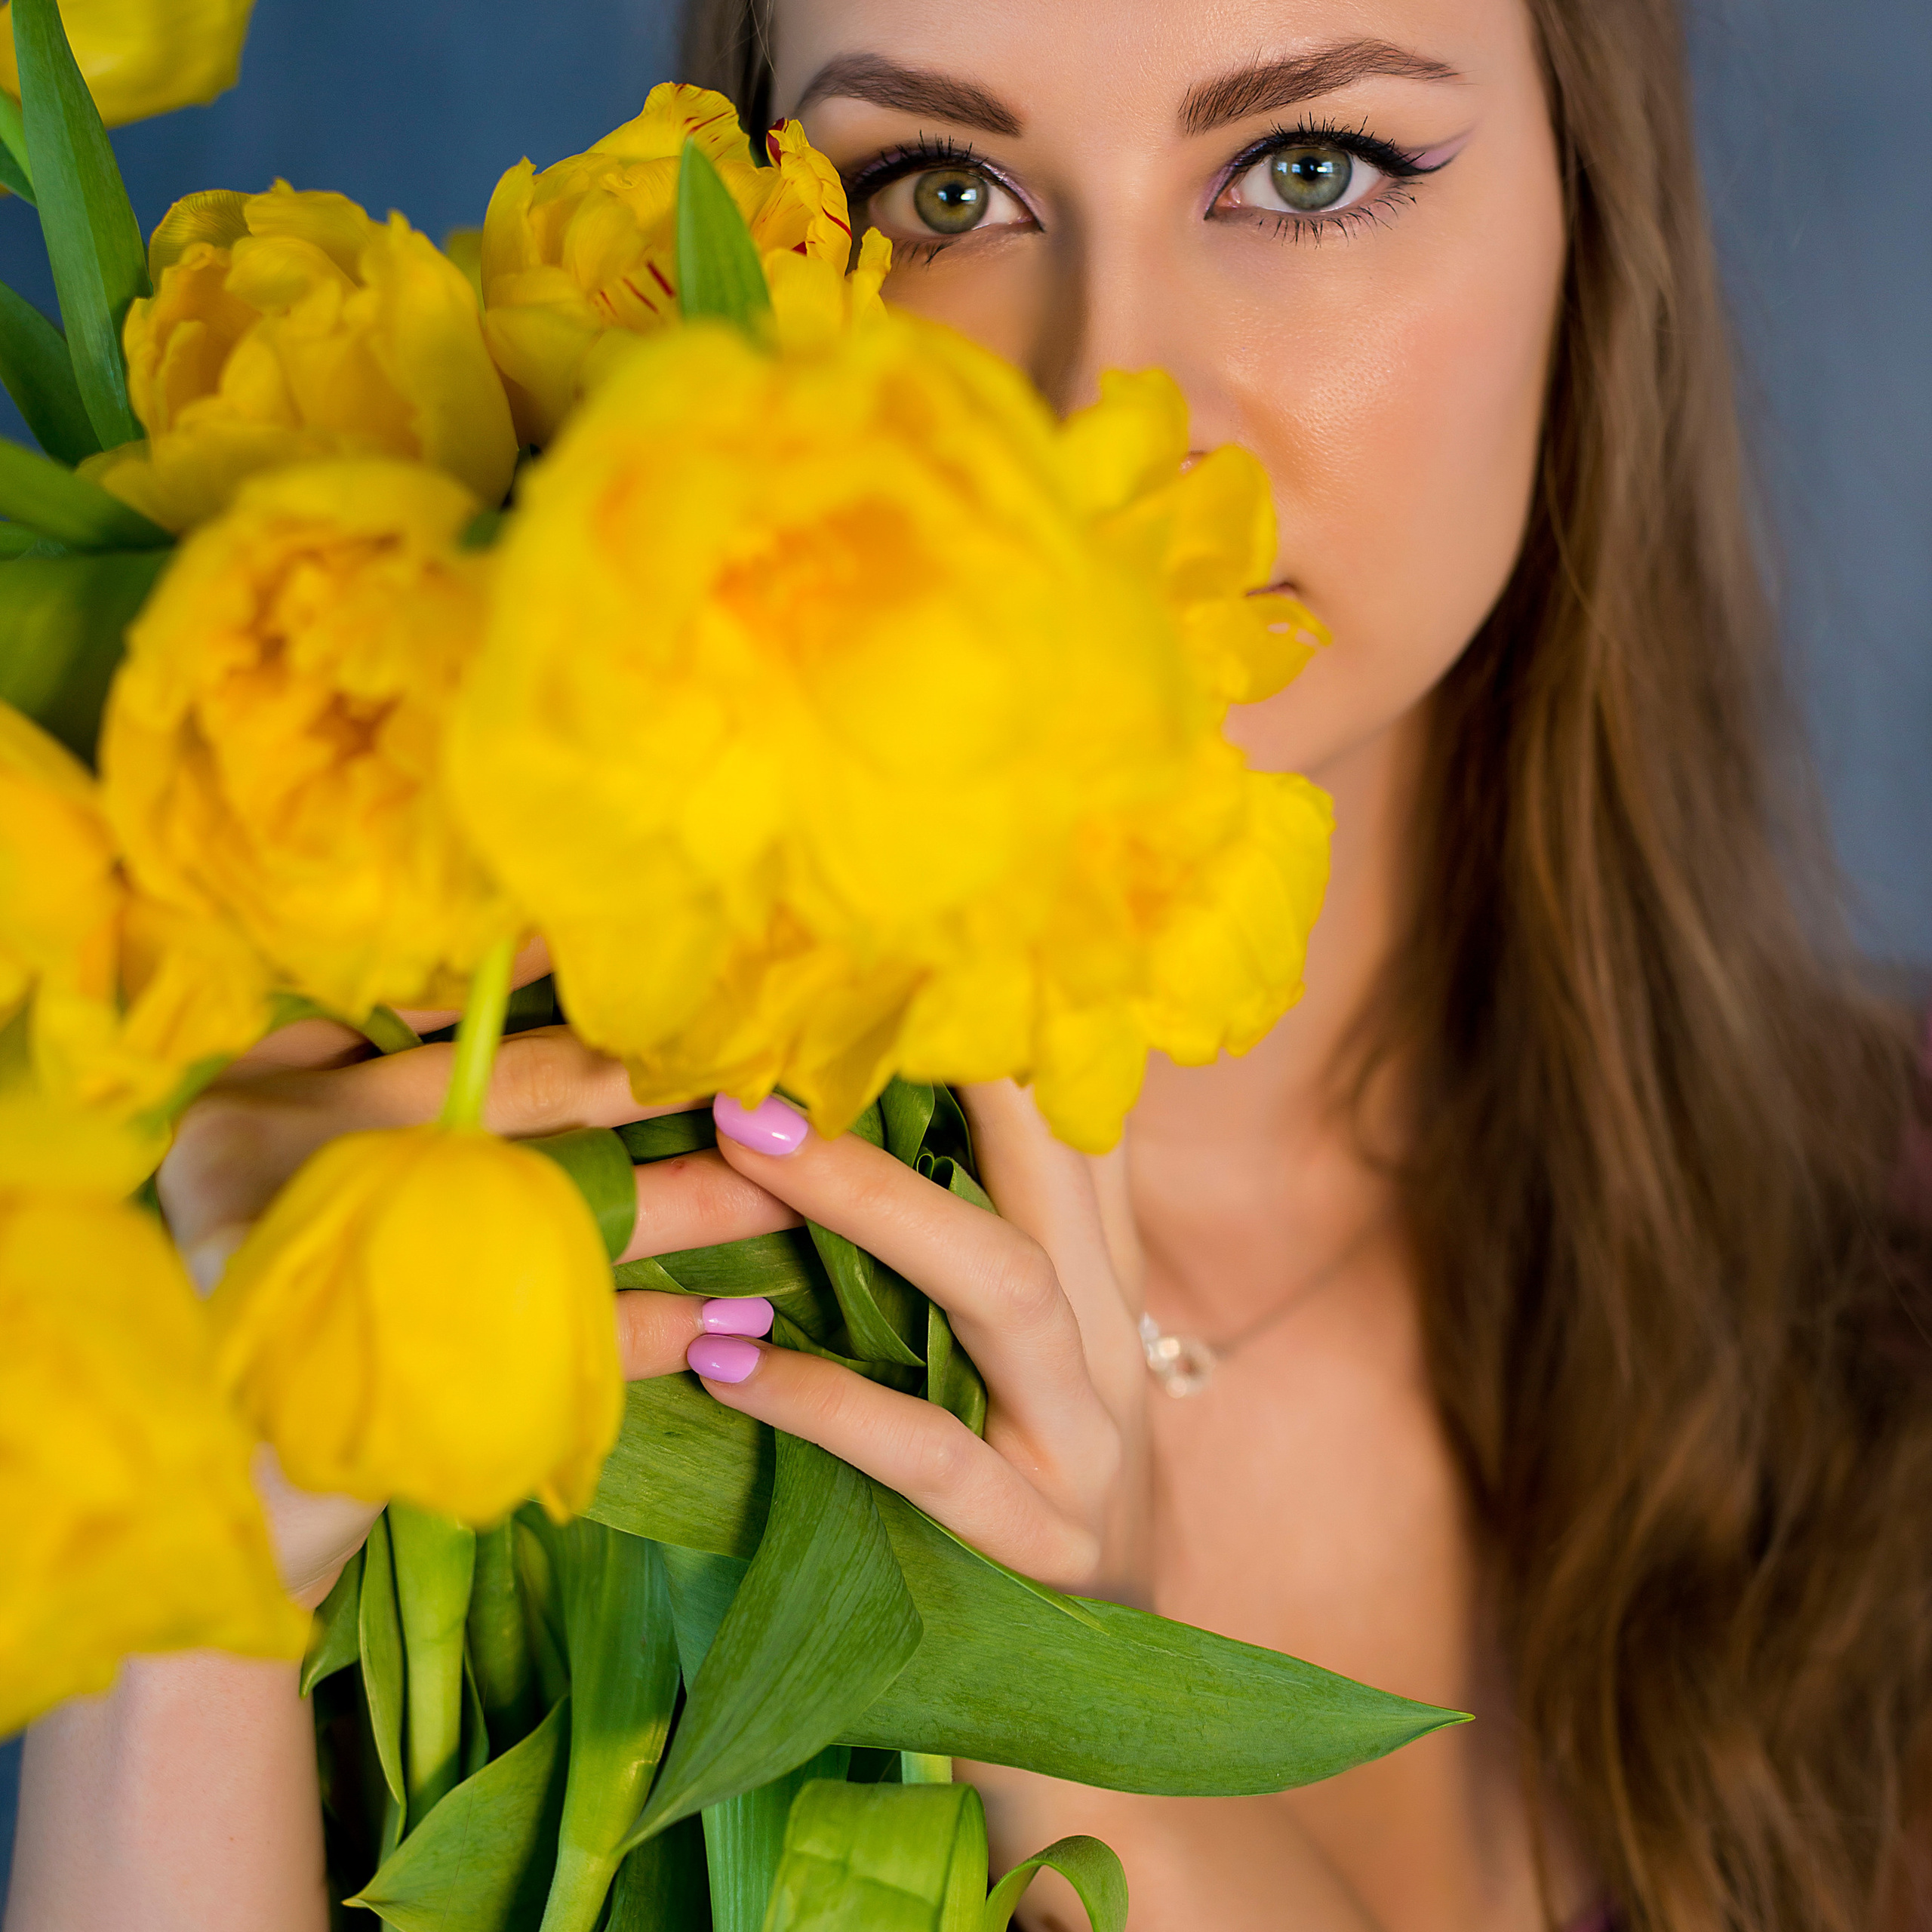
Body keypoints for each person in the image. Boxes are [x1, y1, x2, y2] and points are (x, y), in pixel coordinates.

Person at [9, 0, 1930, 1926]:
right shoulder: (484, 1261)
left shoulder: (1894, 1245)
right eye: (945, 192)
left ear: (1589, 224)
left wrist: (1059, 1704)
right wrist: (190, 1602)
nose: (1105, 400)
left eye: (1307, 169)